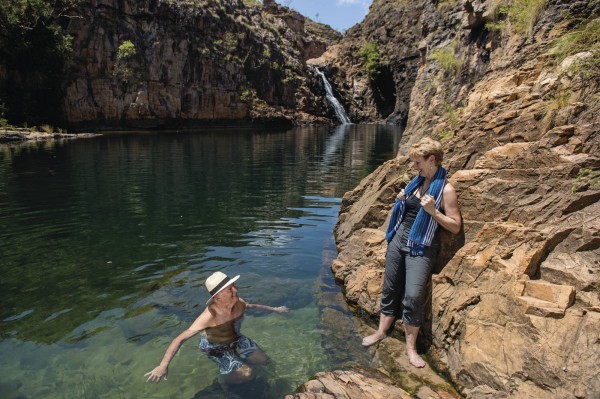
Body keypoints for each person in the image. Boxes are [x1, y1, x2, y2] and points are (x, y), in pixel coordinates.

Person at [361, 137, 462, 368]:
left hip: (422, 246)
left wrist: (433, 211)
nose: (414, 167)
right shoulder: (416, 183)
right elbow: (407, 211)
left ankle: (411, 348)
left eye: (418, 162)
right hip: (398, 240)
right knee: (390, 287)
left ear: (432, 159)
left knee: (414, 296)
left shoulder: (445, 189)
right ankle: (381, 331)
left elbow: (455, 226)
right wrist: (402, 201)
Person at [145, 271, 289, 384]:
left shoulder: (239, 303)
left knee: (264, 360)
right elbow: (179, 339)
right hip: (215, 346)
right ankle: (225, 381)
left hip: (237, 339)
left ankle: (237, 363)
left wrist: (274, 309)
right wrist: (163, 365)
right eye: (230, 289)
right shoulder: (208, 316)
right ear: (218, 296)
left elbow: (253, 306)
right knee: (247, 374)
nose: (236, 290)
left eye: (234, 286)